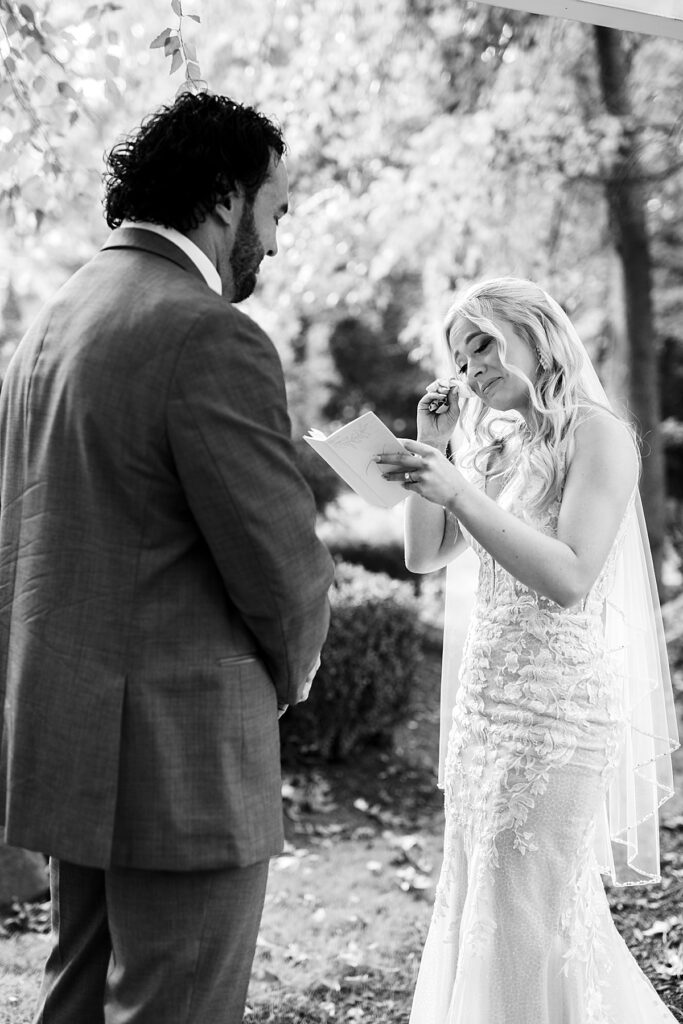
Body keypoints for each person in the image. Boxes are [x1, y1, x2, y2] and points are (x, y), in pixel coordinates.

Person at [0, 91, 334, 1024]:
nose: (273, 242)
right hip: (181, 751)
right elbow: (279, 559)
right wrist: (297, 666)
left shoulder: (58, 316)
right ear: (226, 198)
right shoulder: (206, 331)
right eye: (275, 211)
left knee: (75, 992)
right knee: (178, 1004)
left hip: (70, 734)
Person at [376, 277, 679, 1024]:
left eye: (482, 343)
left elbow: (571, 577)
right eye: (458, 354)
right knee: (481, 905)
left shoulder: (597, 433)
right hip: (487, 712)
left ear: (537, 332)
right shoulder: (500, 444)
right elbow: (423, 555)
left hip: (556, 715)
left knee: (525, 919)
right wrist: (439, 449)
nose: (470, 367)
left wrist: (458, 492)